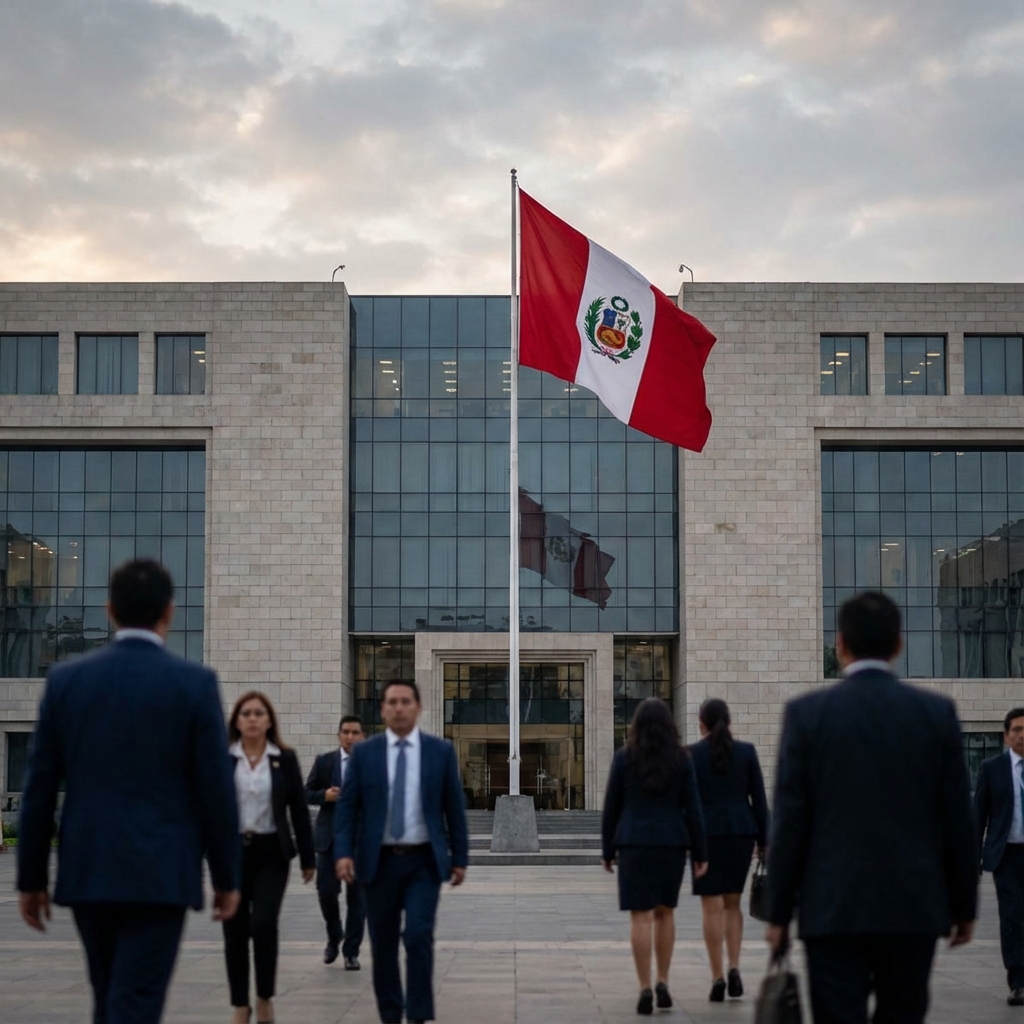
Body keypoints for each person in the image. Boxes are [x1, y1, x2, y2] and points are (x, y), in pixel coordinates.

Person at [17, 558, 240, 1024]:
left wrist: (31, 879)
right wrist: (226, 877)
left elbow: (39, 787)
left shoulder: (66, 681)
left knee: (109, 997)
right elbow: (216, 793)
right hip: (162, 873)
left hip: (89, 869)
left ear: (110, 611)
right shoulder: (195, 685)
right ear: (169, 612)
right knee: (136, 1000)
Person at [765, 591, 979, 1024]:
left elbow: (790, 822)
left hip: (832, 908)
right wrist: (964, 906)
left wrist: (778, 912)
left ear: (840, 644)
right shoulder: (936, 713)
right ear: (898, 644)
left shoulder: (807, 714)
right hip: (912, 908)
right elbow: (958, 818)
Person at [335, 679, 469, 1024]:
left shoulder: (440, 751)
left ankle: (419, 1014)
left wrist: (460, 858)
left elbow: (454, 808)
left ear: (418, 707)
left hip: (423, 861)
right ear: (382, 710)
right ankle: (391, 1014)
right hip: (378, 862)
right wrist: (343, 853)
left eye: (405, 701)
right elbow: (348, 808)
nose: (398, 708)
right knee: (382, 944)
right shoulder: (365, 753)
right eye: (392, 702)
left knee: (418, 934)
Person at [601, 697, 709, 1016]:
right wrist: (701, 853)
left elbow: (611, 807)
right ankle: (663, 980)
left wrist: (607, 850)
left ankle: (644, 986)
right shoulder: (682, 759)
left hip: (633, 843)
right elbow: (694, 809)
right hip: (671, 843)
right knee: (665, 913)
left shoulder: (624, 758)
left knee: (640, 916)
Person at [225, 692, 316, 1024]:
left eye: (258, 713)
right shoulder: (224, 758)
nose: (252, 718)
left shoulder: (284, 759)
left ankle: (264, 997)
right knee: (234, 929)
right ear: (237, 721)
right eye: (246, 713)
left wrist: (308, 858)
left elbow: (299, 810)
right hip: (233, 853)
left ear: (269, 721)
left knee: (263, 923)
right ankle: (240, 1003)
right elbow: (209, 808)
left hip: (271, 854)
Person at [690, 697, 769, 1002]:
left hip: (706, 836)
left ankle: (717, 977)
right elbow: (759, 801)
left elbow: (688, 803)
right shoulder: (746, 752)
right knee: (733, 904)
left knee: (711, 907)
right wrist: (764, 841)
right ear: (729, 721)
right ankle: (734, 967)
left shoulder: (692, 755)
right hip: (740, 833)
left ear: (702, 723)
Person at [305, 714, 367, 968]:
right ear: (339, 735)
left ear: (363, 736)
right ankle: (334, 934)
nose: (350, 737)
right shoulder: (324, 762)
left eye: (355, 732)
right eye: (346, 732)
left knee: (358, 900)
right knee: (326, 892)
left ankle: (351, 952)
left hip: (360, 842)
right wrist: (324, 796)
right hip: (329, 840)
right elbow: (306, 793)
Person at [974, 706, 1024, 1006]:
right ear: (1006, 736)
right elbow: (978, 815)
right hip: (1007, 856)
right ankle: (1018, 982)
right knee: (1012, 917)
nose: (1022, 735)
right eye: (1017, 730)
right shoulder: (992, 769)